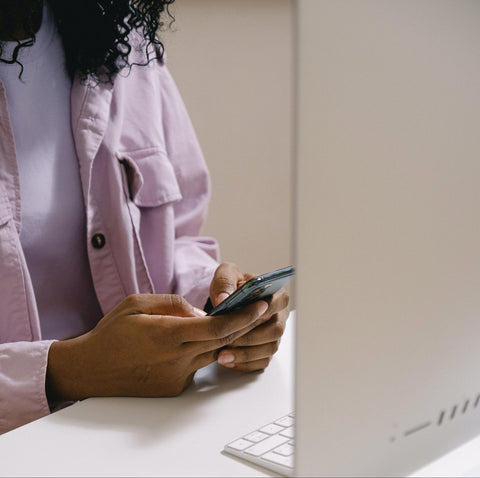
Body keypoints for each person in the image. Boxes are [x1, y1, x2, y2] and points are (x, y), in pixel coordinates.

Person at [0, 0, 289, 435]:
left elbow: (180, 240)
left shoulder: (121, 39)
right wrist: (68, 370)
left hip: (139, 425)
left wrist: (216, 306)